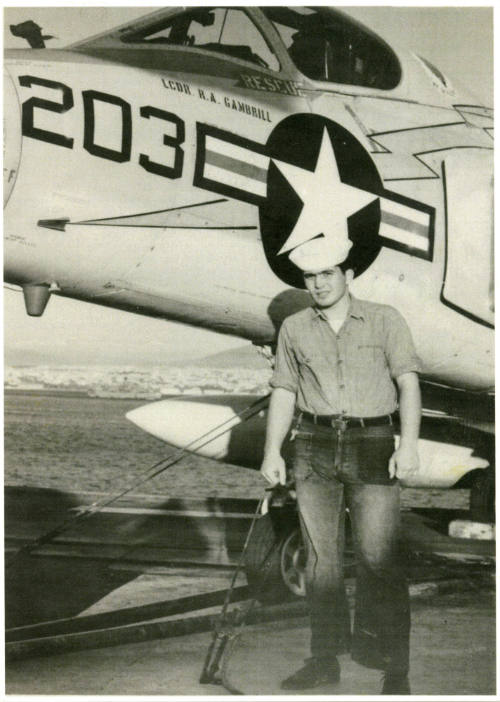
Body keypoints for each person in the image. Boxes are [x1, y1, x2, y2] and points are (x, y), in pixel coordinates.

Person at [260, 235, 421, 695]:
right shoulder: (293, 328)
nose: (318, 283)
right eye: (310, 276)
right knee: (320, 562)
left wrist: (407, 445)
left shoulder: (386, 320)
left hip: (372, 441)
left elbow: (408, 383)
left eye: (327, 273)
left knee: (379, 558)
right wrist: (273, 452)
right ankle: (324, 660)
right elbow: (285, 391)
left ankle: (395, 669)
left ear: (348, 275)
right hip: (312, 444)